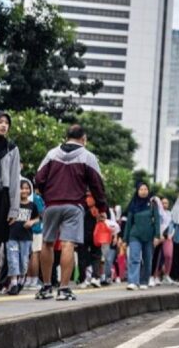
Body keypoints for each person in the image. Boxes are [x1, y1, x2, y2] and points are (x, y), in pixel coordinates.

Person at [35, 124, 107, 301]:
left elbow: (38, 178)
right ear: (84, 139)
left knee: (47, 243)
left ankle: (45, 287)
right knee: (68, 244)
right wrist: (102, 208)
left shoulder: (51, 154)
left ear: (66, 137)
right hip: (73, 205)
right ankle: (64, 289)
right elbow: (97, 185)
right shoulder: (88, 156)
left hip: (51, 205)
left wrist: (48, 194)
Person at [0, 111, 21, 280]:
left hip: (2, 199)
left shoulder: (11, 148)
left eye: (6, 123)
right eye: (0, 122)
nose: (3, 125)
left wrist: (14, 210)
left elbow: (15, 179)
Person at [5, 178, 40, 295]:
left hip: (26, 238)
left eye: (26, 188)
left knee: (24, 261)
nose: (24, 191)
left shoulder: (32, 205)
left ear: (30, 190)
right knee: (12, 259)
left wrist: (32, 222)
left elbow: (39, 217)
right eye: (21, 188)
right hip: (12, 236)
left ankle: (21, 280)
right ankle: (14, 283)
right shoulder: (12, 204)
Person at [123, 183, 160, 290]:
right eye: (141, 189)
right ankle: (133, 282)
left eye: (145, 189)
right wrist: (125, 239)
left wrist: (157, 235)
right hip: (135, 235)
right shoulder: (133, 204)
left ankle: (144, 280)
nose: (143, 191)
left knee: (148, 259)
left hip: (149, 236)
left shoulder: (153, 204)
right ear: (137, 191)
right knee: (134, 258)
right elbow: (129, 223)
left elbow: (157, 220)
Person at [26, 180, 45, 290]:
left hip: (26, 229)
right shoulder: (36, 198)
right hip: (36, 229)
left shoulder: (22, 197)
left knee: (28, 256)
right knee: (35, 254)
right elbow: (42, 213)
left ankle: (28, 279)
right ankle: (34, 280)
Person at [151, 196, 173, 286]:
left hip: (167, 237)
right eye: (162, 203)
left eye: (166, 203)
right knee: (156, 256)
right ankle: (154, 276)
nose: (164, 205)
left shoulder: (169, 214)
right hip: (157, 237)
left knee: (167, 255)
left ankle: (166, 275)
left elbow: (172, 226)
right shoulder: (157, 213)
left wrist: (169, 235)